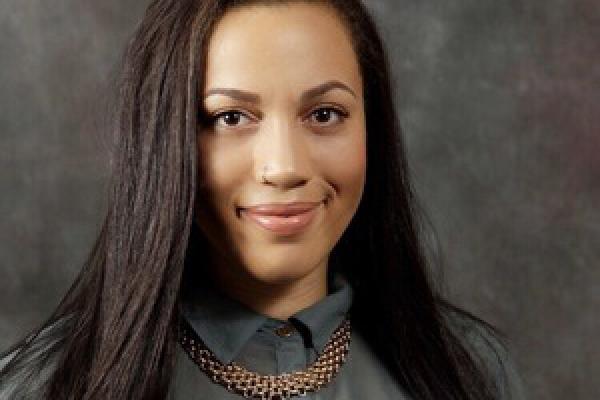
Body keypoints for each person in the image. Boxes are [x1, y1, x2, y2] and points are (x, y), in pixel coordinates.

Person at [0, 0, 527, 399]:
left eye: (324, 114)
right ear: (165, 141)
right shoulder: (42, 384)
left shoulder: (470, 369)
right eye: (231, 117)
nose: (285, 167)